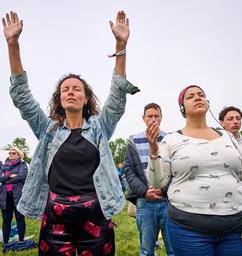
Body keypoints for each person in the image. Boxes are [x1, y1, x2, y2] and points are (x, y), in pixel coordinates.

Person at [2, 10, 139, 255]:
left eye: (77, 89)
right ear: (60, 98)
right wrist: (13, 45)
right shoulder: (48, 130)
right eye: (65, 89)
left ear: (86, 98)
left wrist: (120, 45)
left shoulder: (99, 126)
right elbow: (22, 97)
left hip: (95, 214)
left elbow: (117, 97)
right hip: (56, 216)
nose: (71, 92)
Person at [146, 85, 242, 256]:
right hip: (189, 230)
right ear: (182, 108)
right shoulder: (171, 140)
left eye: (201, 95)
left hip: (234, 228)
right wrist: (153, 152)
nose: (197, 97)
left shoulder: (227, 136)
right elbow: (157, 183)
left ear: (207, 102)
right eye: (190, 96)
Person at [124, 103, 173, 256]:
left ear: (161, 117)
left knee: (174, 248)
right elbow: (128, 170)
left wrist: (164, 190)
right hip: (145, 202)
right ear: (143, 118)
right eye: (149, 116)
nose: (153, 119)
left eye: (156, 116)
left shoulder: (170, 139)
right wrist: (144, 192)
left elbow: (176, 170)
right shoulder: (134, 140)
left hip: (168, 202)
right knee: (146, 250)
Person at [219, 106, 242, 256]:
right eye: (230, 119)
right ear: (221, 122)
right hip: (230, 199)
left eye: (238, 118)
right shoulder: (218, 145)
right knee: (232, 240)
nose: (235, 121)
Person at [0, 147, 28, 247]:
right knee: (6, 220)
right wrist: (10, 175)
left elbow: (21, 176)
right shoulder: (3, 166)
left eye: (13, 153)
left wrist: (5, 180)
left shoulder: (23, 165)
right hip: (5, 197)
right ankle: (6, 243)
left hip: (18, 196)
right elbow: (0, 177)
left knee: (20, 218)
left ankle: (21, 241)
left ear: (18, 155)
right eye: (10, 153)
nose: (11, 154)